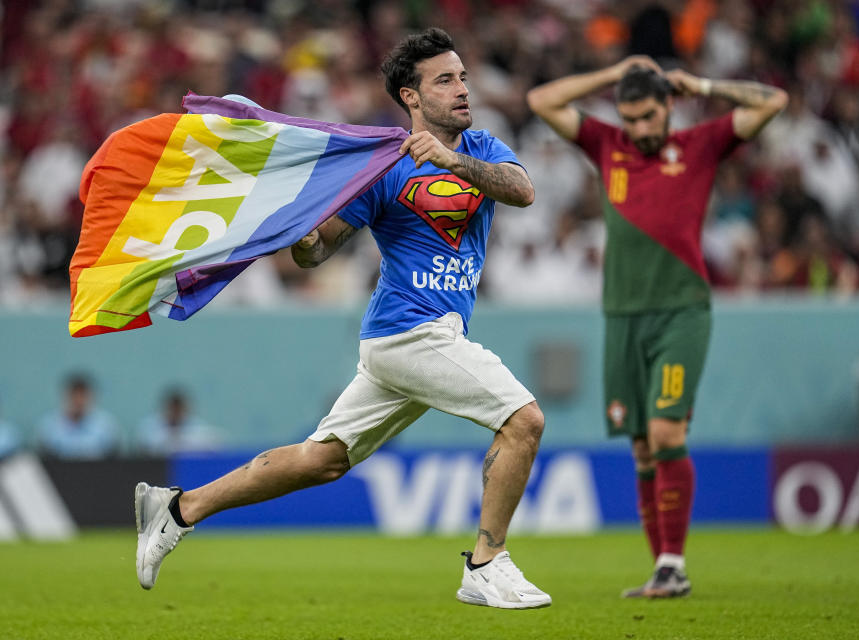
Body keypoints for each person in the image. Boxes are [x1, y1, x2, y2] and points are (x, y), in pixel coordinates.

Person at [135, 27, 551, 609]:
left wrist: (451, 159)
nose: (462, 89)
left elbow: (523, 191)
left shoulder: (481, 149)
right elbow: (316, 250)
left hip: (416, 340)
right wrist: (299, 233)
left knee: (321, 460)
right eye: (445, 80)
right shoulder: (381, 167)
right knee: (524, 421)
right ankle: (485, 563)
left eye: (462, 77)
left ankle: (178, 508)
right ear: (411, 97)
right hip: (409, 331)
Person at [527, 57, 787, 598]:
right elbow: (541, 102)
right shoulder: (607, 144)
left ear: (669, 105)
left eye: (648, 116)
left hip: (681, 311)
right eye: (630, 119)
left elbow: (773, 102)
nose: (640, 129)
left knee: (668, 432)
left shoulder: (701, 144)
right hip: (621, 316)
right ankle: (663, 570)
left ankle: (674, 563)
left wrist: (706, 85)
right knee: (643, 448)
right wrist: (611, 73)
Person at [37, 372, 119, 459]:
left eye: (83, 396)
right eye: (75, 395)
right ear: (66, 396)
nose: (79, 401)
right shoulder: (49, 427)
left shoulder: (106, 427)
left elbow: (114, 458)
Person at [135, 387, 222, 455]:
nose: (175, 412)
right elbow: (144, 447)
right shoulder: (149, 427)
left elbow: (215, 443)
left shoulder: (197, 427)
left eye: (178, 408)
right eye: (172, 408)